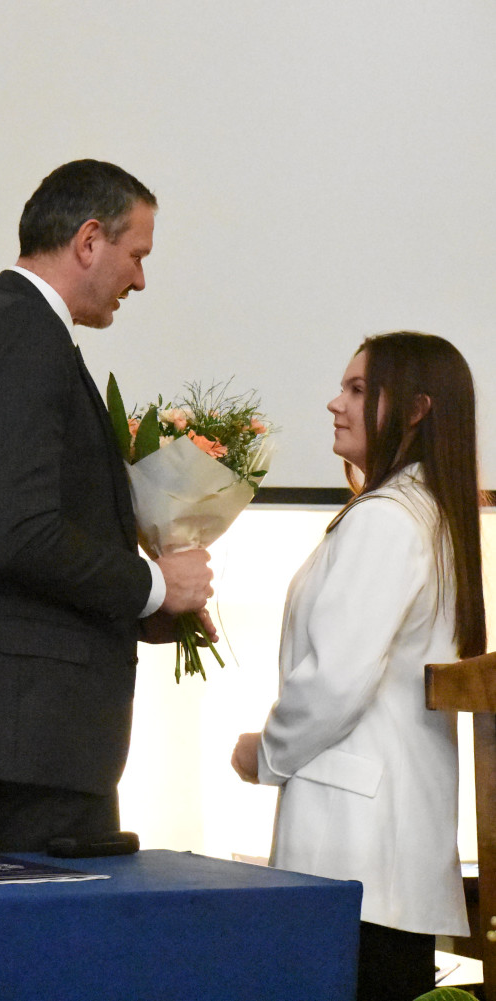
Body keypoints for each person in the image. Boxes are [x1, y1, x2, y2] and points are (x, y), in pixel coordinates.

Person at [0, 159, 212, 852]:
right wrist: (156, 584)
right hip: (33, 724)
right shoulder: (22, 332)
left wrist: (149, 610)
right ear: (89, 240)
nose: (140, 280)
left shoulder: (6, 324)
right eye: (136, 255)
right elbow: (22, 534)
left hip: (25, 721)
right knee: (52, 918)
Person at [231, 332, 483, 1001]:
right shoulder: (422, 512)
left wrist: (265, 753)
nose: (334, 403)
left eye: (358, 389)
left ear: (417, 409)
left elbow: (336, 679)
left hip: (358, 849)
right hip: (380, 850)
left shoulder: (387, 520)